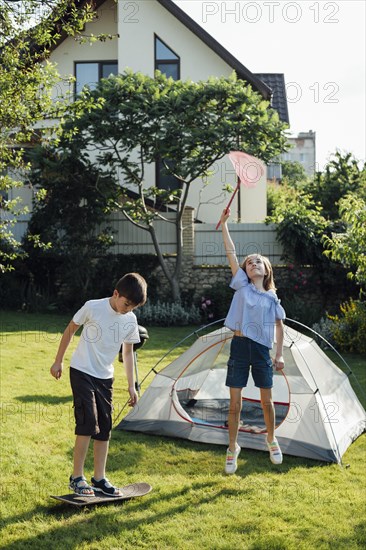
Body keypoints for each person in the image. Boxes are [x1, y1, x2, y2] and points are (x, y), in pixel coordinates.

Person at [50, 272, 147, 496]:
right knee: (88, 422)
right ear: (116, 294)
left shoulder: (130, 319)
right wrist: (58, 361)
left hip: (105, 377)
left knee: (104, 427)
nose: (128, 309)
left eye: (133, 307)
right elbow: (70, 329)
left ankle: (99, 477)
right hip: (82, 370)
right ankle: (77, 478)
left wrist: (131, 385)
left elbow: (129, 352)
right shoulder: (93, 307)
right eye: (126, 304)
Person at [220, 208, 285, 474]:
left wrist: (279, 355)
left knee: (266, 401)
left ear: (267, 270)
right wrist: (224, 224)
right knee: (235, 403)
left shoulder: (272, 299)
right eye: (250, 263)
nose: (253, 264)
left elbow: (281, 327)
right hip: (239, 346)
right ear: (245, 272)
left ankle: (271, 439)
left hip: (261, 351)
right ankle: (232, 447)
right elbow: (231, 254)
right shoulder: (242, 286)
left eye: (259, 262)